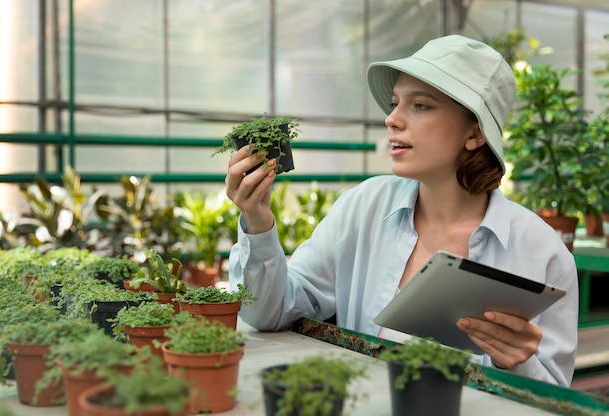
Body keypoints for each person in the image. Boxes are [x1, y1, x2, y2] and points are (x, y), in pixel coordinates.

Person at [224, 35, 578, 387]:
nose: (391, 119)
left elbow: (557, 400)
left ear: (475, 133)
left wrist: (520, 365)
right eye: (395, 103)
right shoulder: (364, 207)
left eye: (420, 105)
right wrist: (257, 220)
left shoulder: (544, 255)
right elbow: (267, 312)